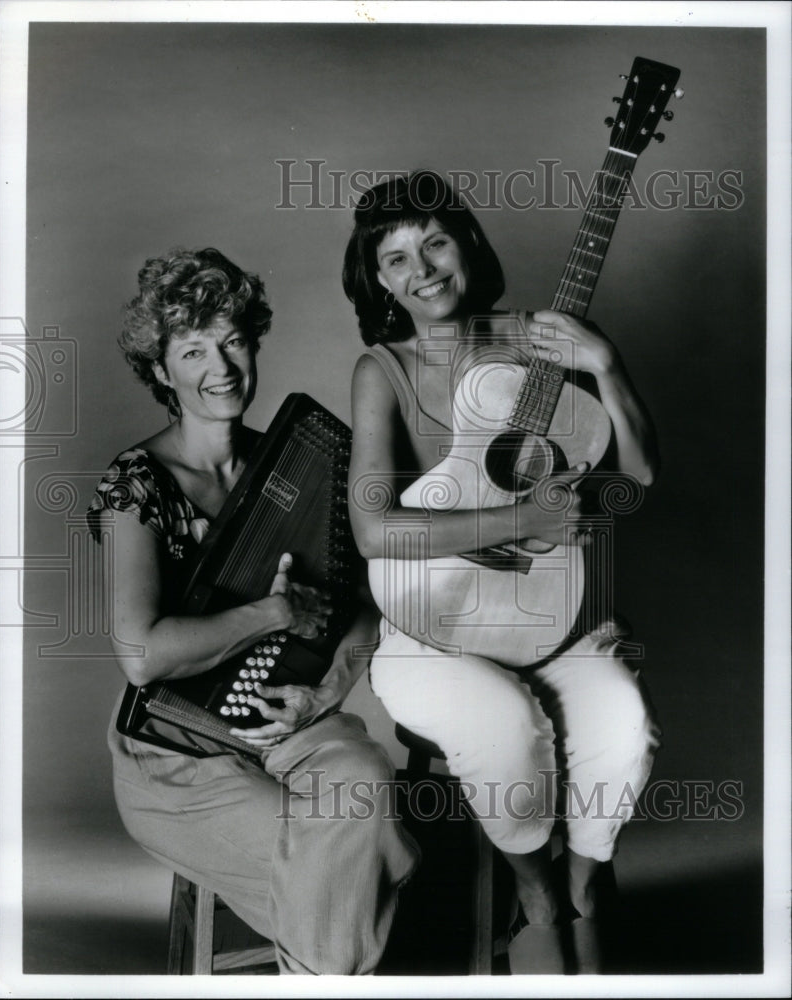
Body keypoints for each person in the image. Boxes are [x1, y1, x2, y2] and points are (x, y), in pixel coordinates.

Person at [342, 171, 662, 974]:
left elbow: (639, 478)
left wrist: (608, 364)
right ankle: (536, 891)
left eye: (436, 241)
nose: (422, 269)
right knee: (503, 730)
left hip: (541, 608)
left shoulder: (538, 338)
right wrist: (520, 519)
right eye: (396, 258)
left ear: (468, 244)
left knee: (622, 721)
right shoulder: (383, 369)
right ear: (376, 279)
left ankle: (585, 881)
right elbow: (373, 529)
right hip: (429, 623)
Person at [87, 246, 419, 975]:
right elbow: (142, 654)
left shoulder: (295, 466)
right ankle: (339, 971)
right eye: (194, 349)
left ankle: (330, 959)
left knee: (366, 785)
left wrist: (325, 694)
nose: (222, 367)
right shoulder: (135, 486)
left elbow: (368, 604)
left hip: (279, 723)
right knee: (345, 850)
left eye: (233, 339)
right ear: (158, 370)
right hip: (172, 752)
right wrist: (273, 616)